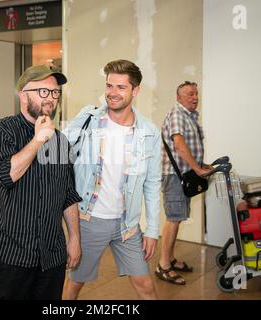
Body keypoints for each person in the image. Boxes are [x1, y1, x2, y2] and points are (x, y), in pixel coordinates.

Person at [0, 65, 82, 300]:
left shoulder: (60, 141)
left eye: (55, 93)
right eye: (43, 92)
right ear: (23, 95)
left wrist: (75, 238)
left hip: (51, 256)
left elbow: (68, 194)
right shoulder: (1, 131)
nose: (51, 99)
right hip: (10, 254)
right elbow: (6, 175)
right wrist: (38, 140)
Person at [63, 59, 161, 300]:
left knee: (146, 286)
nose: (112, 93)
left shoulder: (149, 132)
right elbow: (62, 154)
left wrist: (152, 230)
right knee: (74, 285)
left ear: (135, 90)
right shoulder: (88, 119)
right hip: (88, 220)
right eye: (109, 86)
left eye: (121, 87)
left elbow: (152, 183)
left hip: (127, 225)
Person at [155, 81, 212, 285]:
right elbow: (179, 145)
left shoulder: (189, 117)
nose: (195, 97)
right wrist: (197, 169)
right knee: (173, 218)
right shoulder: (178, 115)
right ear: (178, 98)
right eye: (189, 94)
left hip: (183, 174)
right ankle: (163, 266)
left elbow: (188, 148)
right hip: (174, 175)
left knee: (177, 217)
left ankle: (170, 258)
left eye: (196, 93)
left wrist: (202, 164)